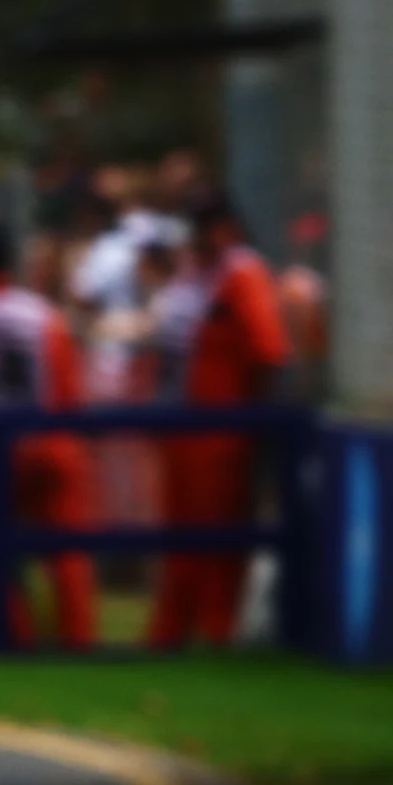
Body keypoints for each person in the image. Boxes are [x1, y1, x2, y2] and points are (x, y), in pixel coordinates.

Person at [152, 194, 292, 648]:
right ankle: (170, 633)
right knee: (179, 539)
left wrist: (259, 429)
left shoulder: (242, 273)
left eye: (201, 230)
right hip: (181, 427)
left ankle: (217, 634)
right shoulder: (193, 274)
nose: (195, 241)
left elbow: (268, 354)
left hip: (221, 435)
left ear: (224, 229)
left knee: (216, 541)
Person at [0, 219, 99, 647]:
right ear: (11, 262)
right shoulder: (40, 314)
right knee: (67, 551)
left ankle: (14, 638)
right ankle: (78, 642)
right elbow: (68, 389)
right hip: (50, 439)